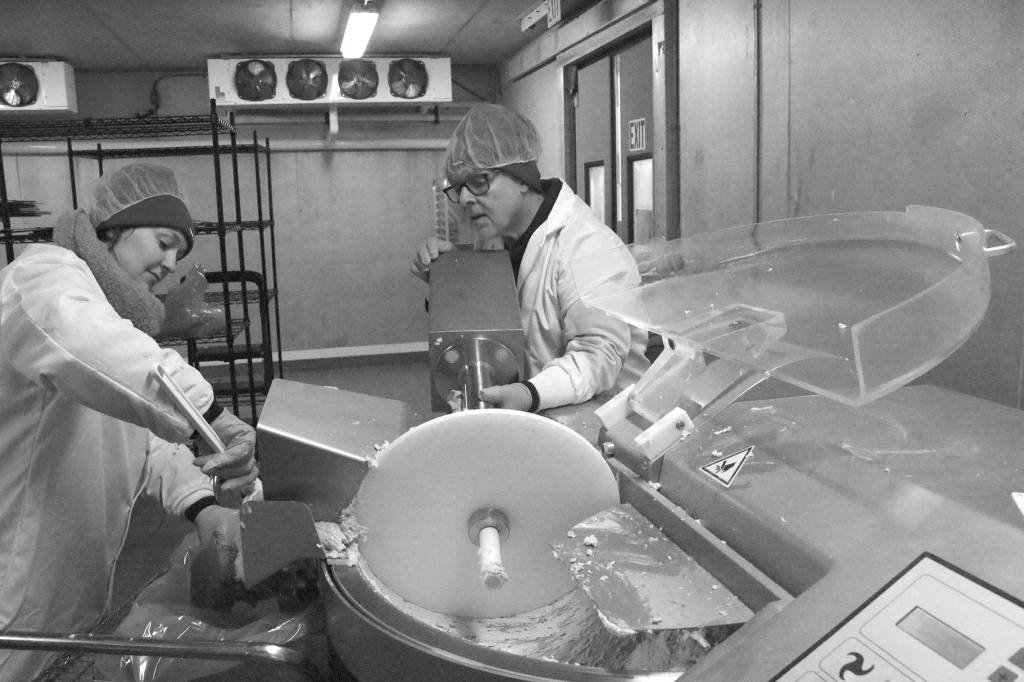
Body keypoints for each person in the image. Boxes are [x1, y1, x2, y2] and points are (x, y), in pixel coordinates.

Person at [0, 163, 259, 680]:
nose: (170, 263)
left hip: (66, 593)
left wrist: (203, 506)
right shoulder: (43, 277)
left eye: (179, 254)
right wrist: (209, 415)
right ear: (113, 227)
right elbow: (97, 348)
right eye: (163, 241)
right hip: (12, 581)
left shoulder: (113, 329)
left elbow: (143, 442)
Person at [412, 103, 649, 412]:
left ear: (522, 178)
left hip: (602, 426)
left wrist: (529, 394)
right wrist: (450, 279)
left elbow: (600, 356)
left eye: (480, 182)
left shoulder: (585, 245)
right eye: (459, 188)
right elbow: (490, 324)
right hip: (538, 420)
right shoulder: (492, 239)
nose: (467, 198)